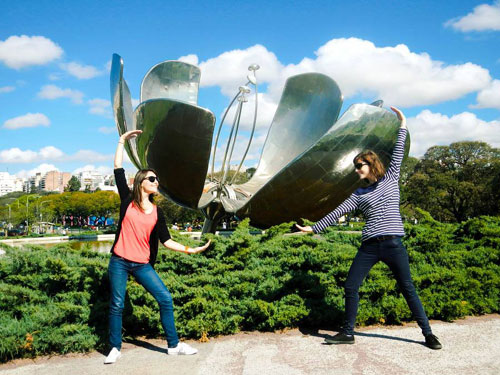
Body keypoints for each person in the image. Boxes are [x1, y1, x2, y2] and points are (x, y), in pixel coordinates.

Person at [296, 107, 442, 350]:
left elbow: (397, 151)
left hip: (393, 244)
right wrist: (315, 228)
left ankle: (428, 334)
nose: (356, 170)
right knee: (351, 286)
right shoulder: (359, 193)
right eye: (356, 166)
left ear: (370, 163)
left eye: (359, 165)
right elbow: (337, 211)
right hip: (370, 247)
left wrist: (402, 124)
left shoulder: (392, 177)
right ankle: (347, 332)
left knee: (408, 289)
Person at [105, 130, 211, 364]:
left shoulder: (158, 212)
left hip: (142, 264)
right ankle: (114, 348)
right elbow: (118, 170)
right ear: (141, 183)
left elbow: (166, 240)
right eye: (152, 179)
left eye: (156, 180)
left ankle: (173, 345)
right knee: (117, 303)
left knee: (165, 298)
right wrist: (122, 141)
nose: (156, 182)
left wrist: (189, 249)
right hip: (120, 261)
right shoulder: (127, 201)